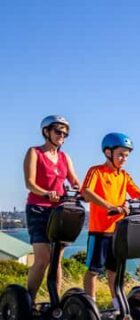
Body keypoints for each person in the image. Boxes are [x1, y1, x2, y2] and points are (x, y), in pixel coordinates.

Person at [79, 133, 140, 305]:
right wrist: (109, 206)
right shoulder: (96, 171)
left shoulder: (124, 175)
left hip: (118, 231)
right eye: (120, 154)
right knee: (93, 270)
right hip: (99, 231)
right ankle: (90, 305)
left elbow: (138, 193)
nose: (124, 158)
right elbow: (86, 192)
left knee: (114, 270)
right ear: (108, 152)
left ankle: (116, 304)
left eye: (126, 156)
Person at [23, 115, 81, 300]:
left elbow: (75, 182)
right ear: (46, 132)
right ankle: (28, 301)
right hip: (38, 208)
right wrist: (47, 193)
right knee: (42, 259)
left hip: (61, 211)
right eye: (58, 131)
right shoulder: (34, 152)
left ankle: (55, 301)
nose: (62, 135)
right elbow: (30, 183)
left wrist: (81, 192)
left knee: (57, 260)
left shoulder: (65, 157)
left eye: (65, 133)